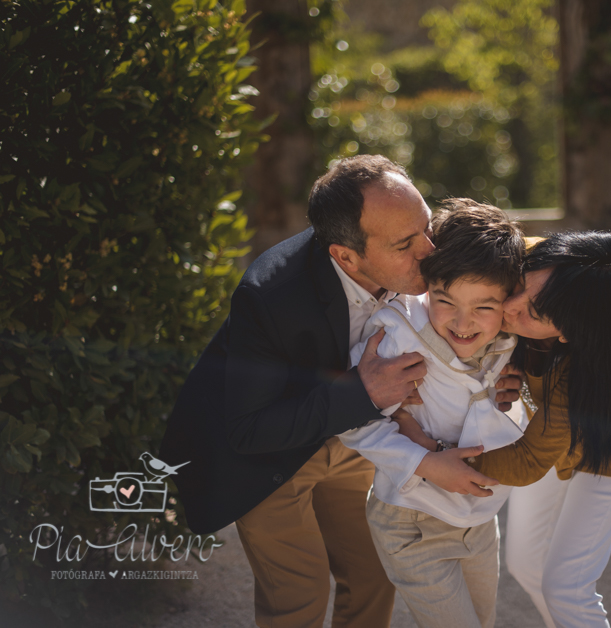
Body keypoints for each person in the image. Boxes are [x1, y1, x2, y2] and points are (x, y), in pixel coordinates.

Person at [158, 156, 511, 628]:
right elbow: (248, 429)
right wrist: (363, 393)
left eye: (426, 227)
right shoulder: (268, 296)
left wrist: (517, 370)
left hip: (354, 438)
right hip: (270, 454)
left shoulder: (420, 257)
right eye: (405, 244)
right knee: (299, 595)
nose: (430, 251)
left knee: (373, 576)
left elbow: (514, 278)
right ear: (346, 257)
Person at [397, 231, 611, 628]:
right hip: (548, 428)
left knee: (566, 588)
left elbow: (527, 461)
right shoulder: (524, 256)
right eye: (520, 286)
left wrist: (439, 457)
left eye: (532, 312)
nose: (509, 306)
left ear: (567, 333)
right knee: (525, 563)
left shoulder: (582, 369)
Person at [339, 200, 526, 628]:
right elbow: (350, 420)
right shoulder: (397, 335)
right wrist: (424, 461)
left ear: (508, 300)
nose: (463, 322)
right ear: (429, 286)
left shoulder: (512, 339)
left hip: (480, 520)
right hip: (413, 518)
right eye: (445, 300)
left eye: (483, 307)